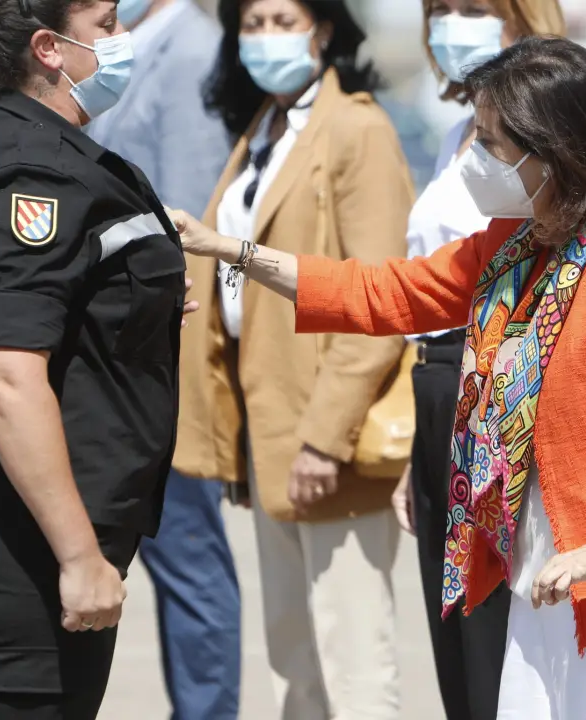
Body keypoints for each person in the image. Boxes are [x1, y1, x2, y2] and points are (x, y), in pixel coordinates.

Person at [170, 36, 586, 719]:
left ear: (555, 151)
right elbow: (380, 294)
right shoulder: (512, 250)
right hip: (531, 577)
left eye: (491, 144)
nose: (474, 159)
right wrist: (229, 250)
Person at [0, 0, 194, 715]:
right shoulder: (36, 171)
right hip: (22, 534)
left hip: (2, 516)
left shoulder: (1, 144)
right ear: (49, 48)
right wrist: (77, 555)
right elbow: (3, 374)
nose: (123, 38)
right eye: (106, 23)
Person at [172, 0, 412, 716]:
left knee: (353, 665)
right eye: (253, 24)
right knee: (295, 662)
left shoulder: (357, 129)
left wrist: (324, 437)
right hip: (269, 427)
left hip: (328, 437)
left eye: (283, 20)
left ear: (324, 30)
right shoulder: (265, 128)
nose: (265, 37)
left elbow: (378, 302)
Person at [392, 2, 565, 719]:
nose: (452, 23)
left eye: (474, 7)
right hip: (440, 380)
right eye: (442, 9)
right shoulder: (456, 134)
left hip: (501, 378)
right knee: (456, 639)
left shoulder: (546, 124)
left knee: (496, 635)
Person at [86, 0, 239, 716]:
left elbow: (190, 231)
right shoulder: (128, 43)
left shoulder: (190, 51)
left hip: (161, 358)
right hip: (114, 359)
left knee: (187, 556)